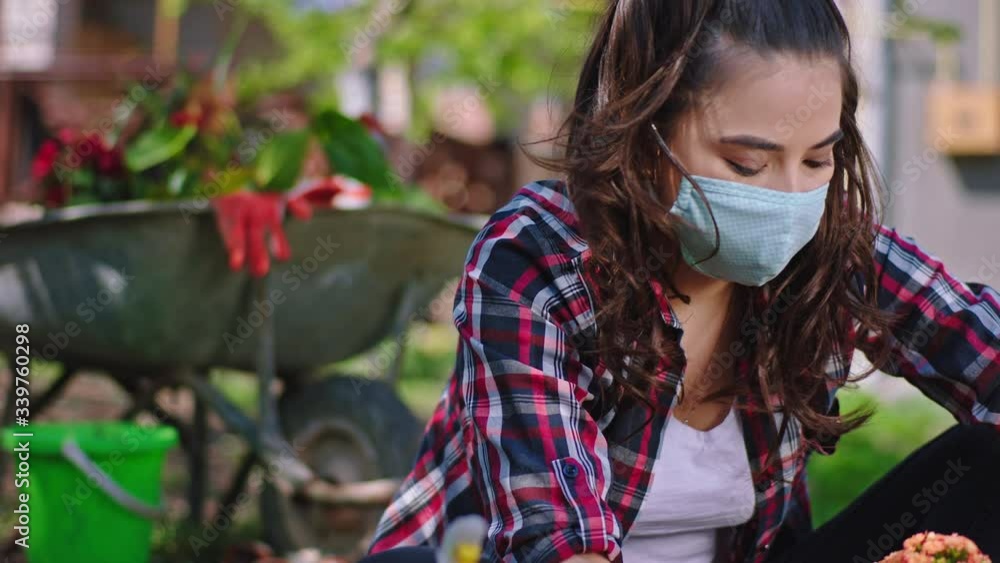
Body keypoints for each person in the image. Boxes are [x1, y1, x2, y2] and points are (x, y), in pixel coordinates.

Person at [361, 1, 1000, 562]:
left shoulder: (830, 248)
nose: (789, 196)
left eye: (816, 159)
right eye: (747, 163)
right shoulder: (537, 259)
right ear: (646, 137)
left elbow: (981, 345)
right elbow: (555, 537)